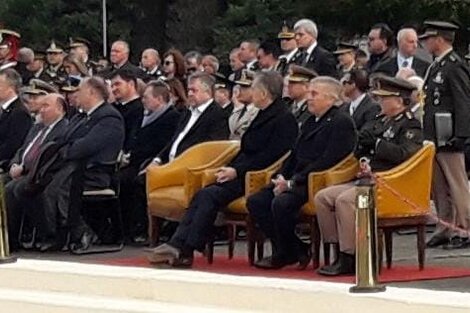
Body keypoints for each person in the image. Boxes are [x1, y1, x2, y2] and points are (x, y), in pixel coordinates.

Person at [146, 70, 299, 268]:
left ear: (264, 93)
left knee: (210, 196)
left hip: (254, 176)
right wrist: (227, 167)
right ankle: (180, 245)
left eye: (253, 88)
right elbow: (245, 148)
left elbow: (272, 156)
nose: (250, 92)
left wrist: (237, 171)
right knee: (202, 194)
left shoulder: (283, 119)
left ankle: (185, 248)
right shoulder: (264, 113)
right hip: (241, 170)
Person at [314, 76, 423, 276]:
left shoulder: (410, 126)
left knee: (345, 201)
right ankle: (337, 249)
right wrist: (362, 147)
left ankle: (351, 255)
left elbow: (404, 155)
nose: (379, 102)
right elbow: (361, 146)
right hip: (365, 179)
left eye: (384, 98)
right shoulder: (380, 121)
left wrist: (378, 145)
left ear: (399, 101)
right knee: (323, 197)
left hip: (388, 184)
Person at [248, 76, 357, 270]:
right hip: (296, 177)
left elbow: (329, 160)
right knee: (256, 201)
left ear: (331, 98)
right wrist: (281, 176)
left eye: (314, 94)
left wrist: (292, 182)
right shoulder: (310, 120)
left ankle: (287, 251)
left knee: (281, 203)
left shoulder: (341, 122)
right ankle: (293, 249)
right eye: (308, 93)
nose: (309, 98)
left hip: (316, 181)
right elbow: (294, 154)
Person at [38, 76, 125, 252]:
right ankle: (58, 233)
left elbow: (87, 146)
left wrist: (66, 151)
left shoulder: (109, 118)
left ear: (92, 92)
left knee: (58, 189)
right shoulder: (82, 117)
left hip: (94, 172)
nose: (76, 94)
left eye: (80, 90)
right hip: (74, 168)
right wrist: (65, 149)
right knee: (43, 185)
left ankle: (77, 231)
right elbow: (63, 139)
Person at [419, 21, 470, 249]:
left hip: (449, 135)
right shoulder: (437, 66)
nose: (425, 43)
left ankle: (465, 228)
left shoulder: (454, 65)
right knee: (440, 186)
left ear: (439, 39)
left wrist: (461, 133)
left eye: (428, 38)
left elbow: (462, 101)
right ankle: (445, 226)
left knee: (457, 184)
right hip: (435, 134)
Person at [5, 93, 69, 251]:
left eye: (46, 106)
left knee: (14, 189)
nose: (41, 110)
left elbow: (48, 155)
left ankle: (14, 238)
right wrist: (15, 164)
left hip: (43, 173)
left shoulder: (64, 129)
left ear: (60, 108)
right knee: (4, 182)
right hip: (22, 170)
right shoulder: (37, 127)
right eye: (41, 106)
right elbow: (23, 149)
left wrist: (25, 168)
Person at [119, 81, 180, 242]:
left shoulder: (172, 118)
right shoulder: (144, 115)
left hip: (152, 162)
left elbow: (161, 145)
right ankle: (124, 228)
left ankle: (142, 227)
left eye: (146, 97)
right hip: (136, 160)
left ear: (159, 99)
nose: (143, 100)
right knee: (117, 179)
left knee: (130, 182)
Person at [151, 71, 229, 166]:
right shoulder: (187, 112)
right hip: (169, 163)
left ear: (207, 92)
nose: (190, 94)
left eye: (194, 90)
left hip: (190, 167)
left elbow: (210, 149)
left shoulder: (217, 116)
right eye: (188, 90)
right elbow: (175, 140)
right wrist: (157, 159)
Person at [0, 69, 32, 171]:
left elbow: (13, 145)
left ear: (11, 88)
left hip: (6, 164)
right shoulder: (6, 109)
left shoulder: (19, 113)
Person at [110, 69, 144, 153]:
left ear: (131, 84)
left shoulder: (141, 108)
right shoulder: (112, 108)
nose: (114, 89)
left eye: (117, 84)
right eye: (112, 86)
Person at [228, 70, 259, 140]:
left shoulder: (258, 112)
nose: (240, 90)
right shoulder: (237, 111)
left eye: (245, 87)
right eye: (240, 87)